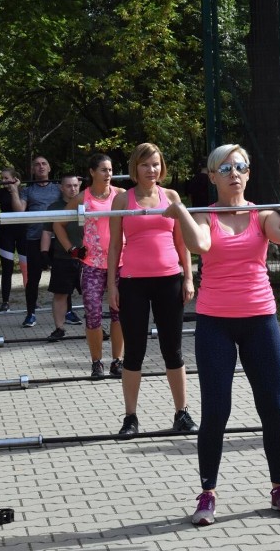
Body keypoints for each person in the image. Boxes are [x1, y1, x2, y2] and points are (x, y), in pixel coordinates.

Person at [163, 144, 280, 526]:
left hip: (261, 320)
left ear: (248, 173)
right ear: (212, 176)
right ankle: (207, 494)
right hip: (215, 324)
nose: (234, 174)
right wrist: (178, 211)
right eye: (225, 168)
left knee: (273, 408)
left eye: (241, 167)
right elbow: (200, 245)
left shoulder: (262, 215)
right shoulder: (206, 216)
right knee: (216, 412)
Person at [107, 143, 196, 435]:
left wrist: (188, 278)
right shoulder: (123, 201)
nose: (151, 170)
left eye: (156, 164)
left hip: (170, 280)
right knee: (135, 352)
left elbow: (182, 242)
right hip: (133, 283)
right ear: (136, 167)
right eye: (145, 165)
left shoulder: (171, 197)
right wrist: (112, 284)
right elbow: (115, 245)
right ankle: (130, 417)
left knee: (173, 350)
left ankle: (181, 414)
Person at [54, 154, 125, 375]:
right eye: (104, 170)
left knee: (119, 313)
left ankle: (118, 361)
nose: (108, 174)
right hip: (93, 265)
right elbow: (58, 224)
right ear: (92, 172)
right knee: (93, 314)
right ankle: (97, 362)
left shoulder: (121, 195)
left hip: (120, 264)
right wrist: (72, 249)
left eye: (111, 170)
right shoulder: (83, 198)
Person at [14, 155, 60, 327]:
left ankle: (68, 312)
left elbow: (72, 202)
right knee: (33, 279)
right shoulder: (27, 190)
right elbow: (19, 211)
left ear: (49, 168)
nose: (41, 167)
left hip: (57, 239)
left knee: (62, 276)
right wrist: (14, 190)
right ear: (33, 170)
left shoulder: (59, 188)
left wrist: (75, 187)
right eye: (37, 165)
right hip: (34, 238)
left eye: (44, 164)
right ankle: (31, 313)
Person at [43, 172, 84, 341]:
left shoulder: (86, 205)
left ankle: (96, 327)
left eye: (75, 185)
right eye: (68, 185)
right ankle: (59, 328)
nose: (72, 189)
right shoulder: (53, 208)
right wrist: (44, 254)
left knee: (91, 295)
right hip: (62, 258)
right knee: (60, 295)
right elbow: (47, 232)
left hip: (87, 259)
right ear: (61, 188)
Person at [0, 167, 27, 312]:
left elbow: (21, 209)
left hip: (22, 232)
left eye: (6, 178)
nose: (3, 181)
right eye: (1, 178)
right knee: (7, 268)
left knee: (25, 268)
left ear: (15, 179)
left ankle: (31, 300)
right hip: (6, 233)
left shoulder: (23, 192)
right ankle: (5, 302)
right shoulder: (0, 193)